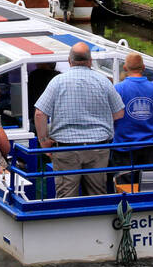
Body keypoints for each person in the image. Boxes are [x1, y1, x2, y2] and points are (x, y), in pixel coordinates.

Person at [33, 43, 125, 198]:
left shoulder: (57, 82)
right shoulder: (103, 81)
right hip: (98, 148)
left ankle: (67, 221)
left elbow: (39, 114)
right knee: (97, 194)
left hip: (65, 149)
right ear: (90, 61)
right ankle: (95, 220)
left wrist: (43, 141)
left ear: (69, 61)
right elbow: (119, 113)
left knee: (66, 196)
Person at [109, 52, 153, 188]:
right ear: (143, 67)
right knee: (150, 188)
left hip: (124, 148)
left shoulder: (118, 89)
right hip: (150, 147)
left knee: (125, 190)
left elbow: (113, 115)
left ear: (125, 68)